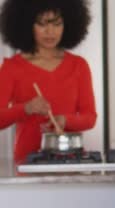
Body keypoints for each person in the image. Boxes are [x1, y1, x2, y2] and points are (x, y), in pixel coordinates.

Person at [0, 0, 96, 163]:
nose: (50, 32)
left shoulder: (79, 66)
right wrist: (26, 108)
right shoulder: (12, 68)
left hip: (70, 160)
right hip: (27, 163)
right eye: (42, 24)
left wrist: (65, 120)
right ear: (26, 25)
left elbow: (90, 118)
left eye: (57, 24)